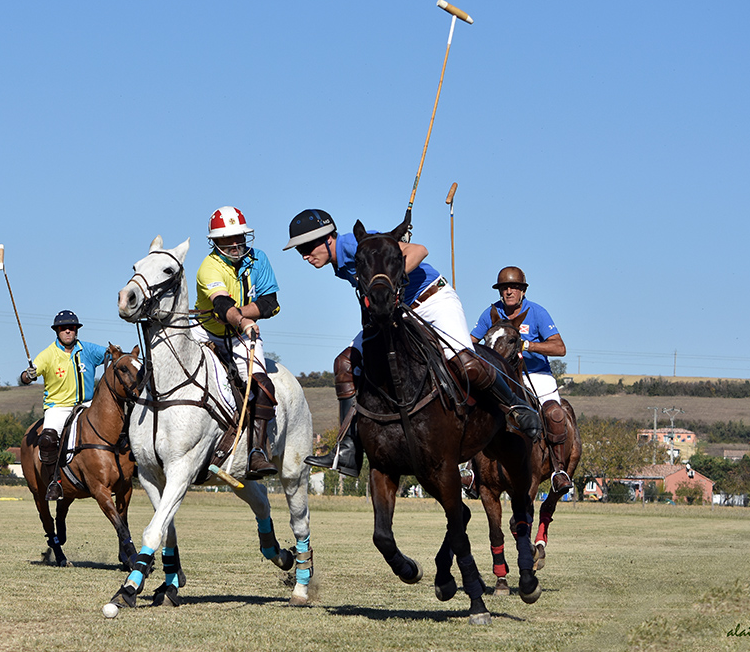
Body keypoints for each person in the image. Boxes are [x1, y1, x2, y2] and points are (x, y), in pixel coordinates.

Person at [283, 209, 541, 477]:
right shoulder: (339, 264)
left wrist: (391, 277)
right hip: (400, 311)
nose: (304, 255)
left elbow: (419, 250)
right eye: (300, 250)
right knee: (345, 364)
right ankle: (347, 448)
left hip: (433, 299)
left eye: (307, 247)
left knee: (465, 363)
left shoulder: (353, 244)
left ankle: (517, 407)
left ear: (328, 239)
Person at [193, 206, 281, 480]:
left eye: (239, 236)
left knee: (263, 386)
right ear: (215, 241)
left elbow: (270, 303)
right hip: (205, 332)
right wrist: (241, 318)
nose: (235, 243)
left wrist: (240, 318)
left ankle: (257, 452)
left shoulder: (259, 259)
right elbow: (221, 304)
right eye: (226, 239)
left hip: (240, 333)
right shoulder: (208, 267)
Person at [470, 266, 572, 493]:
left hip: (536, 373)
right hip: (500, 376)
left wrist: (527, 345)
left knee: (554, 414)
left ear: (523, 291)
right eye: (505, 288)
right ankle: (471, 470)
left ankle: (558, 470)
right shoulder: (490, 313)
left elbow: (560, 348)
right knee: (474, 408)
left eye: (514, 287)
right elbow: (471, 342)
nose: (509, 292)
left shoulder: (537, 312)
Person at [20, 310, 108, 500]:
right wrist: (28, 375)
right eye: (63, 328)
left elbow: (111, 355)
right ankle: (55, 482)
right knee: (48, 440)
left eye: (72, 327)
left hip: (87, 405)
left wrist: (116, 352)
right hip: (58, 407)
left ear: (76, 330)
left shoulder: (88, 349)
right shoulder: (48, 354)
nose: (68, 331)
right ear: (57, 331)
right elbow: (25, 377)